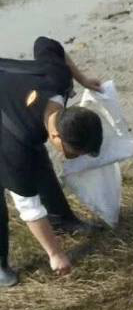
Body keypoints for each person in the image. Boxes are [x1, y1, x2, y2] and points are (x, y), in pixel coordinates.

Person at [0, 37, 104, 287]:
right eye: (74, 153)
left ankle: (61, 220)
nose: (75, 158)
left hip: (9, 94)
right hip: (8, 128)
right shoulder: (16, 146)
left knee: (36, 156)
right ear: (57, 137)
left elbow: (46, 44)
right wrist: (55, 254)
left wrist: (83, 79)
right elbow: (29, 208)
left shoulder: (59, 79)